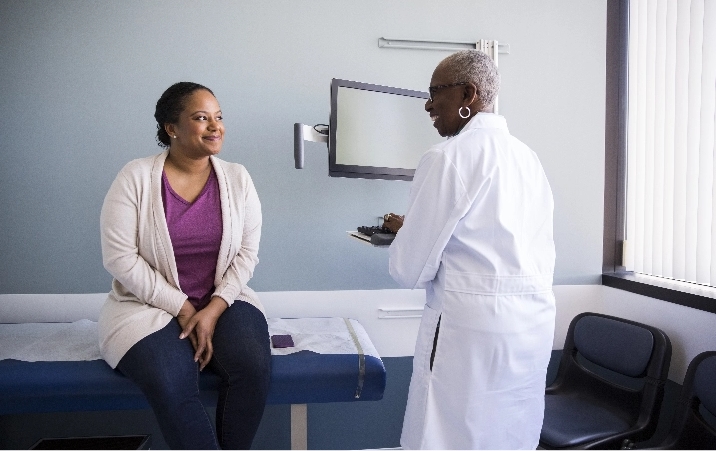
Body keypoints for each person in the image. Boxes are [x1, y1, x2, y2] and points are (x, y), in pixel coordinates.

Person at [385, 50, 556, 449]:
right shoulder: (529, 159)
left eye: (434, 93)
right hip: (529, 328)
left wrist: (407, 238)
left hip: (468, 331)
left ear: (468, 94)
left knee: (446, 435)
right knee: (509, 434)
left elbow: (409, 270)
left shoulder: (447, 158)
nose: (428, 105)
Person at [98, 82, 270, 449]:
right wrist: (182, 307)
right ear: (171, 128)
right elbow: (119, 256)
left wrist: (213, 309)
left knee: (253, 368)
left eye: (219, 117)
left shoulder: (238, 178)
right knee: (170, 378)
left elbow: (246, 253)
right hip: (146, 306)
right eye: (201, 117)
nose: (215, 126)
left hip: (226, 298)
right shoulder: (136, 177)